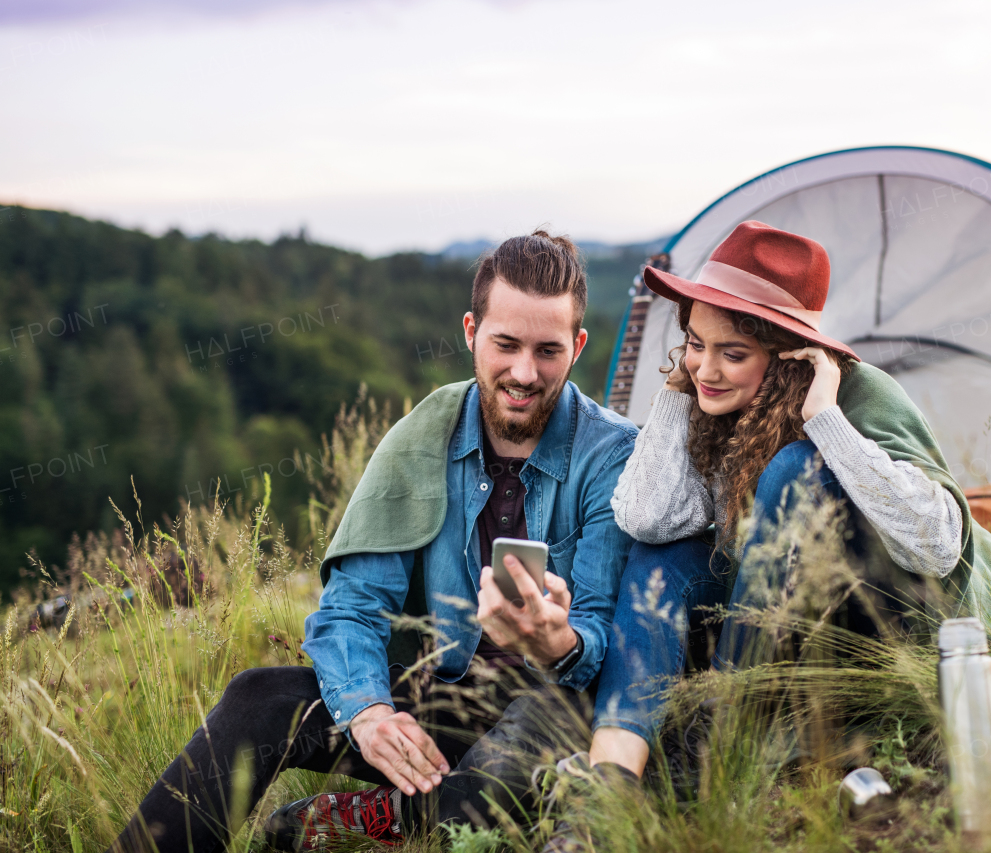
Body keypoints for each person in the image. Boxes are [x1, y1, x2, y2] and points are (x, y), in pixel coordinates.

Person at [109, 231, 638, 852]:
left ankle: (358, 820)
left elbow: (602, 635)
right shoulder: (423, 437)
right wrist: (369, 712)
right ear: (471, 331)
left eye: (548, 350)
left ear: (577, 346)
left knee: (506, 769)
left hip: (549, 709)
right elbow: (352, 606)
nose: (525, 372)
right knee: (257, 700)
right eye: (506, 344)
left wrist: (559, 642)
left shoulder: (612, 454)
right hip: (447, 697)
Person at [561, 220, 991, 816]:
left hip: (889, 617)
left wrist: (826, 421)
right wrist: (679, 388)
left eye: (732, 354)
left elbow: (936, 549)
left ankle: (722, 739)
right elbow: (649, 518)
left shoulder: (861, 397)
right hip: (786, 618)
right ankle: (611, 783)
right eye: (696, 343)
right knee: (663, 556)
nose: (707, 369)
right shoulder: (715, 398)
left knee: (793, 467)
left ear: (786, 360)